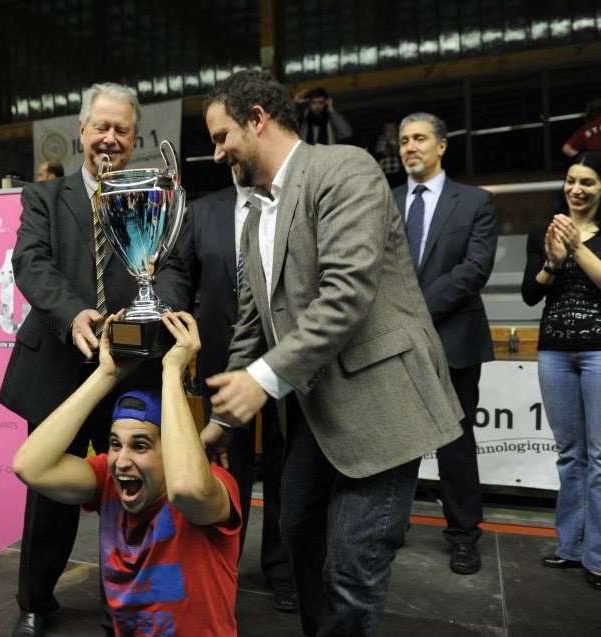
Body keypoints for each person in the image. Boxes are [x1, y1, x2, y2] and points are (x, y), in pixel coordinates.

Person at [202, 69, 462, 636]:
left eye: (222, 137)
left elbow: (346, 293)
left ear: (257, 119)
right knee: (299, 539)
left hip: (382, 403)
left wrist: (261, 380)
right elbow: (252, 324)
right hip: (316, 412)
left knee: (351, 564)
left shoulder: (344, 168)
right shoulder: (255, 217)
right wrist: (221, 420)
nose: (217, 153)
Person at [0, 82, 188, 637]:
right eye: (100, 127)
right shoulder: (44, 198)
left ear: (135, 137)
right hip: (58, 365)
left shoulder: (155, 194)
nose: (110, 138)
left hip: (130, 370)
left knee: (130, 488)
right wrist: (74, 313)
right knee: (47, 495)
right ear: (81, 131)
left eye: (121, 130)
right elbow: (31, 263)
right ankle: (34, 601)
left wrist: (151, 317)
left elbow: (175, 271)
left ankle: (121, 602)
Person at [12, 310, 242, 637]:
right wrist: (106, 374)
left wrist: (172, 371)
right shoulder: (108, 480)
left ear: (171, 450)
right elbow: (29, 466)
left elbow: (187, 489)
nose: (122, 460)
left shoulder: (216, 485)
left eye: (141, 446)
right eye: (115, 444)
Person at [171, 166, 296, 611]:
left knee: (286, 464)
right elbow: (180, 277)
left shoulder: (289, 202)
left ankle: (283, 569)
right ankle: (224, 562)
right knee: (227, 464)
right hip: (222, 359)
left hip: (286, 357)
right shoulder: (202, 211)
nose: (226, 155)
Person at [394, 112, 498, 574]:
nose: (410, 147)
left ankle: (463, 535)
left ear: (441, 146)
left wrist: (415, 308)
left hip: (454, 340)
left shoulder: (475, 202)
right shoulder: (385, 201)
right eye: (403, 141)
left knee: (455, 443)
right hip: (394, 342)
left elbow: (475, 270)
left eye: (419, 138)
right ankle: (390, 525)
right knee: (396, 443)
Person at [521, 151, 601, 591]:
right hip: (554, 353)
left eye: (587, 182)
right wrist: (552, 262)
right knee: (570, 455)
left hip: (598, 353)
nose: (576, 189)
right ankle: (570, 547)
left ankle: (597, 556)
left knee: (600, 459)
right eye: (571, 180)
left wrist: (577, 247)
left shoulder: (587, 236)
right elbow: (530, 294)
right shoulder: (544, 230)